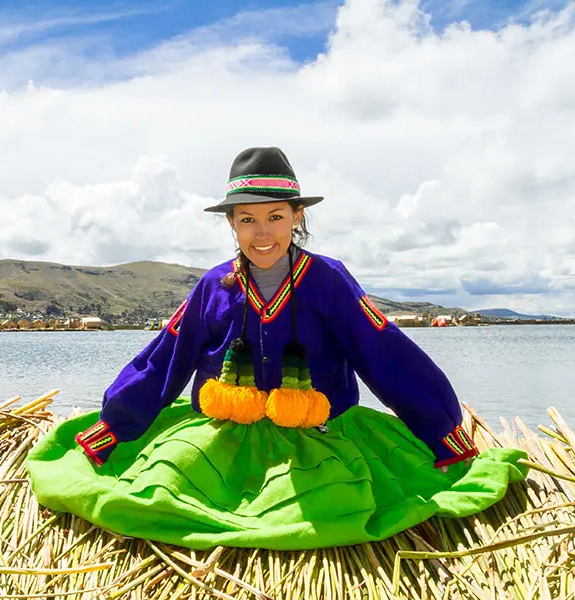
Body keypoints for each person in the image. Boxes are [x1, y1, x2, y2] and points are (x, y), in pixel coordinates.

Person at [26, 147, 527, 551]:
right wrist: (116, 424)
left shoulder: (328, 280)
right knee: (158, 495)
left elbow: (382, 352)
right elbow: (167, 358)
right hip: (224, 431)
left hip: (318, 431)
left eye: (274, 217)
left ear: (297, 216)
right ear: (231, 224)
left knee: (320, 509)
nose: (261, 232)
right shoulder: (214, 286)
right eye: (247, 219)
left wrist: (440, 429)